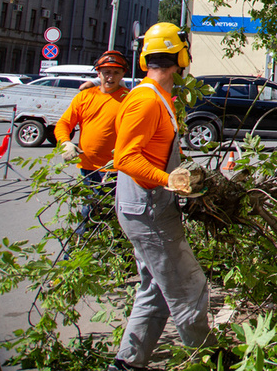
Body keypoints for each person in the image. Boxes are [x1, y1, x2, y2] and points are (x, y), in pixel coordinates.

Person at [110, 22, 212, 371]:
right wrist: (167, 178)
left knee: (156, 286)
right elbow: (124, 157)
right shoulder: (145, 101)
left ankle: (128, 362)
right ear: (179, 57)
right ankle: (208, 360)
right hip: (148, 209)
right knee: (189, 288)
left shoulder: (158, 96)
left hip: (148, 204)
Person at [55, 50, 130, 237]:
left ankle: (114, 258)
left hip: (118, 170)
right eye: (106, 72)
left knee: (116, 219)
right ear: (99, 73)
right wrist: (65, 142)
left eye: (115, 72)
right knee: (89, 215)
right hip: (89, 169)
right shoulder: (85, 97)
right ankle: (79, 256)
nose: (110, 77)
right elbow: (64, 124)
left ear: (123, 74)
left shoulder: (128, 99)